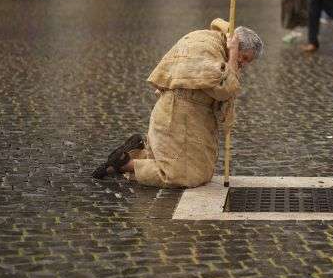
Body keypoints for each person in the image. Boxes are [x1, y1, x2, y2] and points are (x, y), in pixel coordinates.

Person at [92, 20, 263, 188]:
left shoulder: (217, 47)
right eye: (245, 57)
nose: (243, 64)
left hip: (194, 116)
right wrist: (233, 57)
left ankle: (134, 154)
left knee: (203, 172)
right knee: (180, 176)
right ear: (236, 44)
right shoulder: (206, 46)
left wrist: (232, 58)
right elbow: (223, 89)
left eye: (248, 61)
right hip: (176, 114)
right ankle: (125, 164)